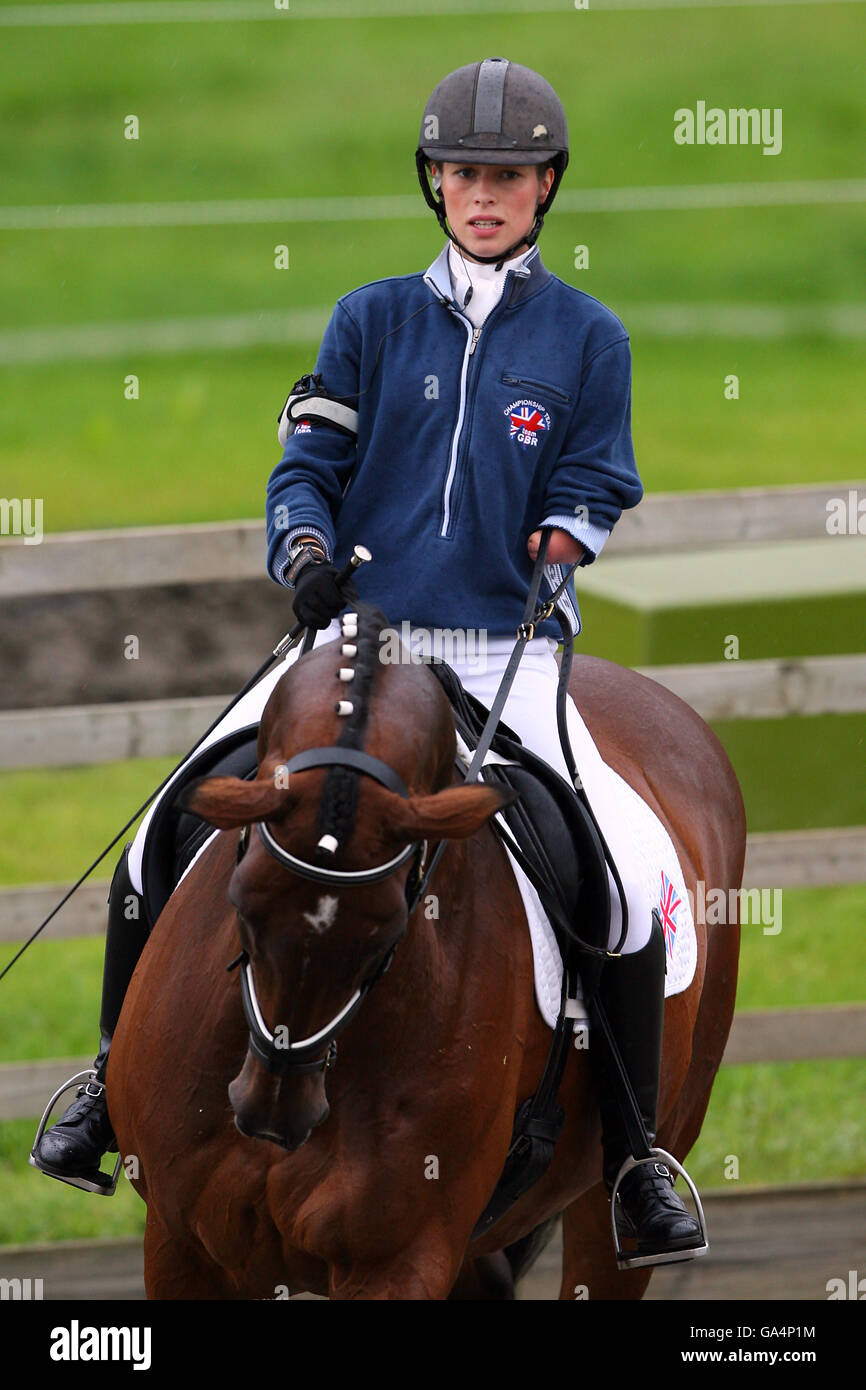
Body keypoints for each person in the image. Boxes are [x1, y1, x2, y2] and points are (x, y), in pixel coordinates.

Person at [33, 57, 703, 1265]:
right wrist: (301, 548)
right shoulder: (368, 318)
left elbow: (602, 474)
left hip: (503, 650)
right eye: (462, 172)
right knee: (156, 836)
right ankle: (100, 1092)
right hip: (352, 647)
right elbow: (306, 466)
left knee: (614, 869)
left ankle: (639, 1154)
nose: (482, 193)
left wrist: (565, 535)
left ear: (545, 187)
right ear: (432, 184)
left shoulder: (586, 337)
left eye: (507, 174)